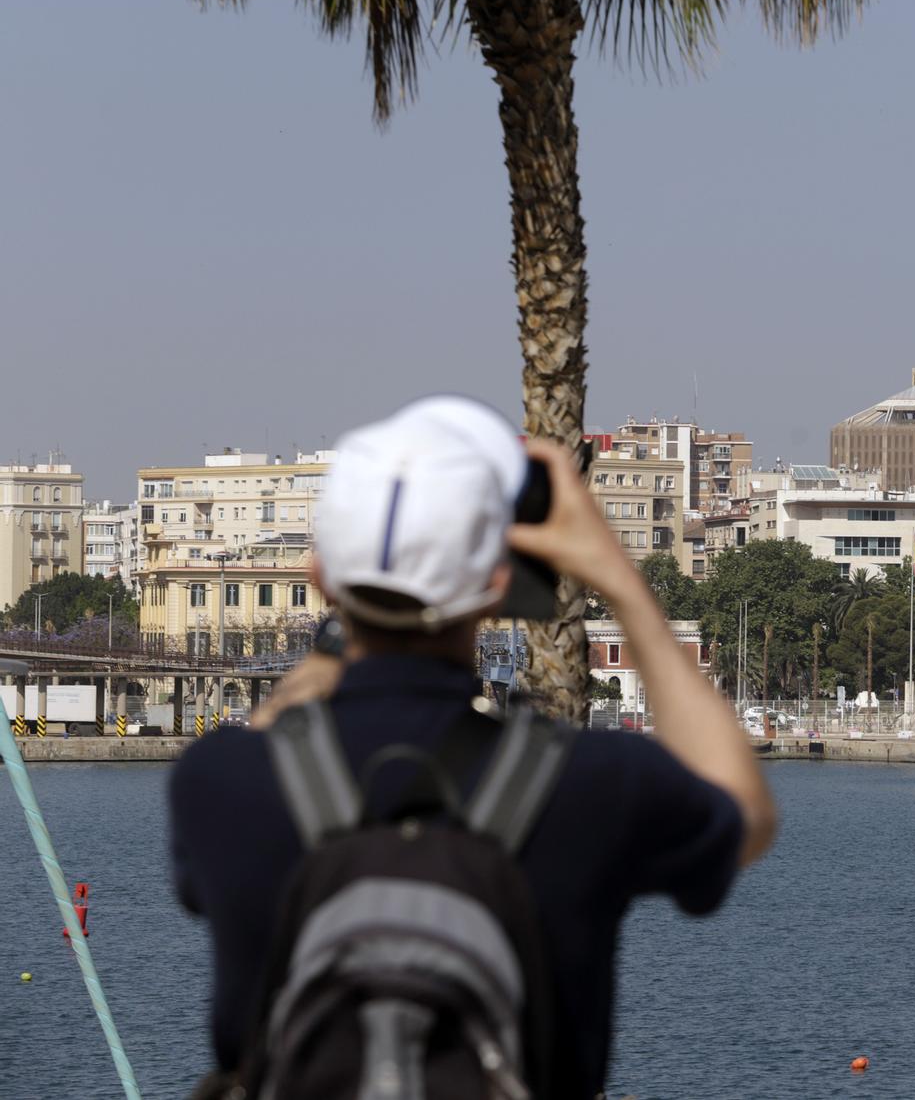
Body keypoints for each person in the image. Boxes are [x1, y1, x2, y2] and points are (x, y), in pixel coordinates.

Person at [169, 397, 777, 1097]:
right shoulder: (592, 785)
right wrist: (621, 581)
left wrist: (337, 636)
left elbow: (280, 730)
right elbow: (746, 814)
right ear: (497, 585)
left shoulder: (220, 782)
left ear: (320, 578)